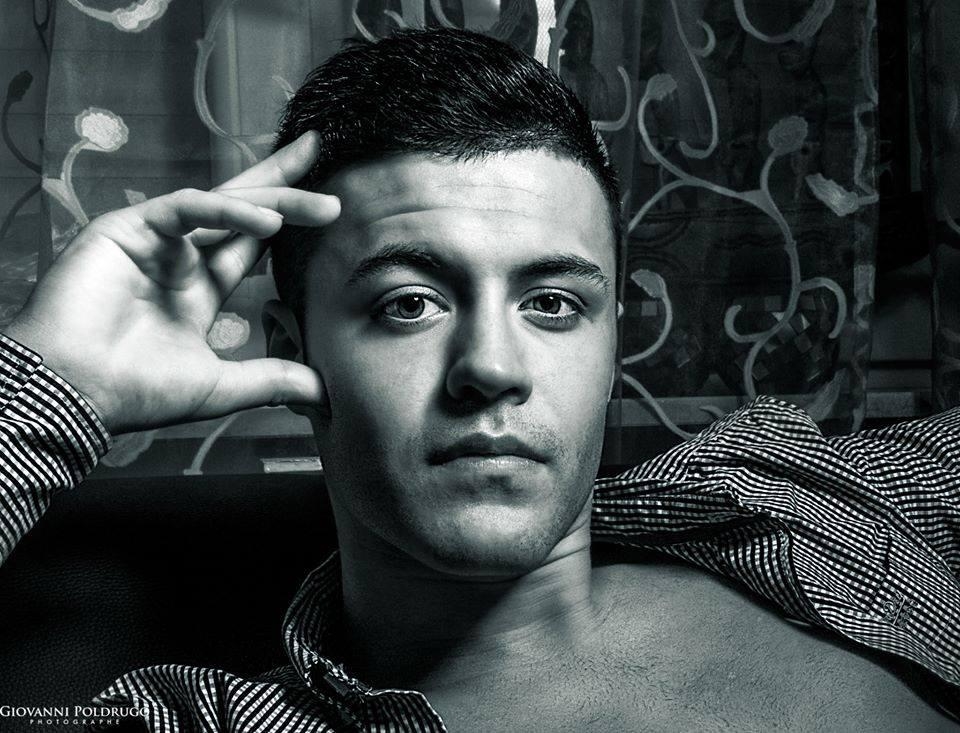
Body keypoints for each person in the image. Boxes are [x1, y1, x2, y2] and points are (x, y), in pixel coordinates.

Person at [1, 28, 958, 732]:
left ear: (611, 343)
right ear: (292, 351)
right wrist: (50, 383)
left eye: (553, 303)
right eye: (409, 303)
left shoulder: (791, 493)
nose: (492, 368)